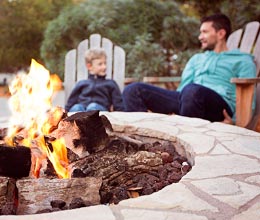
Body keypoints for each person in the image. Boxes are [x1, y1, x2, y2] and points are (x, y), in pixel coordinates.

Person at [122, 13, 256, 123]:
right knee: (133, 90)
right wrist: (175, 104)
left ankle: (187, 139)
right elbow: (183, 88)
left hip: (219, 107)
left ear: (220, 34)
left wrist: (235, 121)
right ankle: (144, 141)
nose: (200, 37)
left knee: (192, 91)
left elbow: (249, 96)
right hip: (188, 99)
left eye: (204, 32)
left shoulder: (242, 60)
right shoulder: (196, 59)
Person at [65, 48, 124, 112]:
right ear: (89, 66)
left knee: (92, 107)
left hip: (100, 112)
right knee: (76, 107)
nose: (104, 67)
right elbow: (70, 103)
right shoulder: (81, 83)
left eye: (105, 63)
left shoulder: (111, 84)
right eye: (100, 64)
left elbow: (119, 106)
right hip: (82, 112)